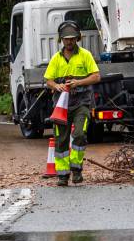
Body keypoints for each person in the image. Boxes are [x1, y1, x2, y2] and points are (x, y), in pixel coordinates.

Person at [43, 20, 101, 186]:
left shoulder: (85, 55)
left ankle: (76, 170)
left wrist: (77, 83)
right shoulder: (56, 58)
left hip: (81, 103)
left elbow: (96, 76)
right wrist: (57, 85)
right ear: (61, 39)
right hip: (61, 106)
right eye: (66, 39)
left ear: (78, 38)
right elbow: (48, 79)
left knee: (80, 135)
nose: (69, 41)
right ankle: (63, 175)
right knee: (61, 139)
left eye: (72, 38)